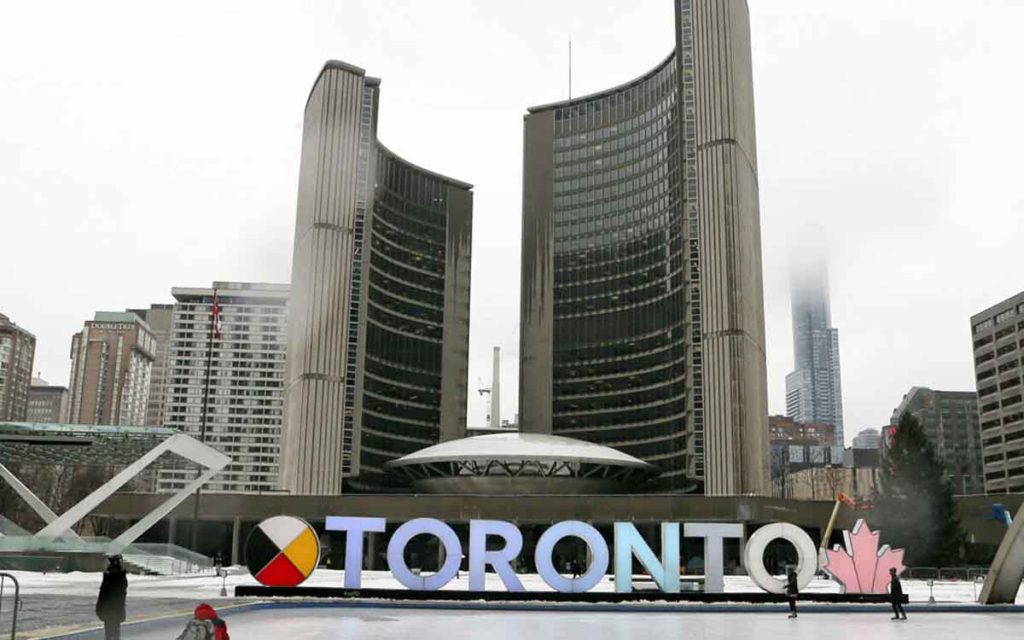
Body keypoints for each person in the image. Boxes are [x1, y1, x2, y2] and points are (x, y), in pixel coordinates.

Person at [95, 555, 128, 640]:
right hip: (115, 611)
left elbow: (102, 594)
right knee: (114, 633)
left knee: (110, 634)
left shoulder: (110, 579)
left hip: (109, 610)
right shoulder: (119, 578)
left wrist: (99, 608)